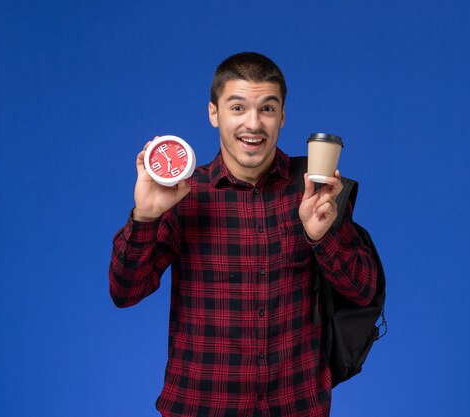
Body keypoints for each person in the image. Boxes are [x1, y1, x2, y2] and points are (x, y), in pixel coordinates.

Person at [109, 52, 377, 417]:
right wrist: (144, 216)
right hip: (201, 406)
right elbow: (124, 292)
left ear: (282, 116)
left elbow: (363, 290)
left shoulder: (315, 191)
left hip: (296, 406)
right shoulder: (182, 196)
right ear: (213, 114)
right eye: (237, 108)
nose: (253, 124)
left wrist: (322, 237)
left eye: (267, 109)